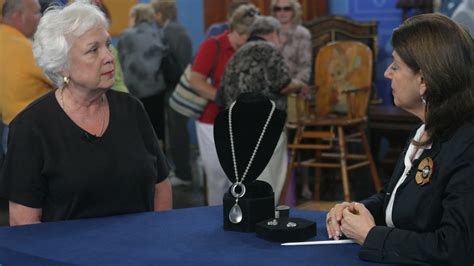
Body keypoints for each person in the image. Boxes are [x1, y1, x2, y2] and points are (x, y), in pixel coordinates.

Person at [0, 1, 172, 226]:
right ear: (62, 65)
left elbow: (161, 185)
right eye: (93, 50)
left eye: (108, 45)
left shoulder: (132, 109)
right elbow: (25, 222)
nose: (109, 57)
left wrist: (161, 238)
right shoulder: (31, 127)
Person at [325, 14, 474, 265]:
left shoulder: (467, 144)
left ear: (424, 80)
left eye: (395, 66)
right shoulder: (424, 131)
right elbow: (393, 200)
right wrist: (355, 211)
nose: (386, 73)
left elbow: (456, 247)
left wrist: (371, 236)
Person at [216, 16, 307, 203]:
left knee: (243, 179)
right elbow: (282, 83)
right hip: (265, 126)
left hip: (236, 128)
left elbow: (221, 94)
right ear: (272, 33)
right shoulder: (269, 49)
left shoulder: (237, 54)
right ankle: (266, 218)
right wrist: (299, 84)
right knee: (268, 178)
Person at [189, 4, 259, 205]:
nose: (249, 41)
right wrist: (225, 99)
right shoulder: (214, 45)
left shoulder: (250, 50)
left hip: (242, 122)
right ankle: (216, 223)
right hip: (212, 122)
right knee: (218, 180)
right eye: (245, 35)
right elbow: (196, 80)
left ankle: (240, 222)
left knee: (240, 179)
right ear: (235, 30)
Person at [270, 0, 312, 199]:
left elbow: (305, 68)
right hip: (272, 92)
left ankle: (303, 186)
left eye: (286, 8)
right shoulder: (269, 32)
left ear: (294, 11)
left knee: (297, 142)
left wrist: (291, 85)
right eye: (278, 8)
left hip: (294, 92)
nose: (282, 12)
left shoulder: (302, 33)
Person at [151, 0, 194, 187]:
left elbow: (181, 65)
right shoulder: (179, 30)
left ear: (160, 14)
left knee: (177, 133)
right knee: (177, 132)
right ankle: (182, 171)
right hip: (177, 88)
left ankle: (184, 174)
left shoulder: (170, 32)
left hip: (176, 90)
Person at [0, 0, 53, 151]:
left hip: (8, 130)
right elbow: (66, 81)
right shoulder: (28, 49)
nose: (41, 17)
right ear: (19, 16)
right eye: (36, 12)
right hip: (35, 131)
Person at [117, 3, 168, 142]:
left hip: (135, 89)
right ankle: (161, 158)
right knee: (158, 125)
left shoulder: (126, 35)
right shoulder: (159, 33)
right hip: (157, 87)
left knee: (138, 127)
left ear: (135, 16)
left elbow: (120, 61)